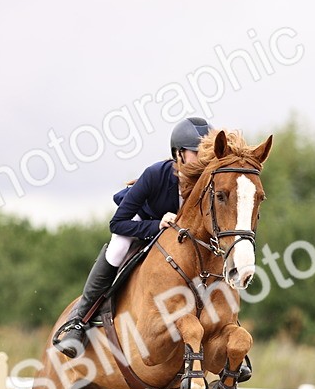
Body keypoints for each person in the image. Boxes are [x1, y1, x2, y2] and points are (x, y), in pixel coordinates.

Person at [52, 117, 212, 358]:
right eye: (197, 153)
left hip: (178, 236)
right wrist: (156, 224)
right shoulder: (155, 175)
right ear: (179, 153)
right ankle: (78, 321)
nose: (204, 160)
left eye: (208, 154)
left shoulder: (207, 181)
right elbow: (117, 223)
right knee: (118, 247)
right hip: (142, 220)